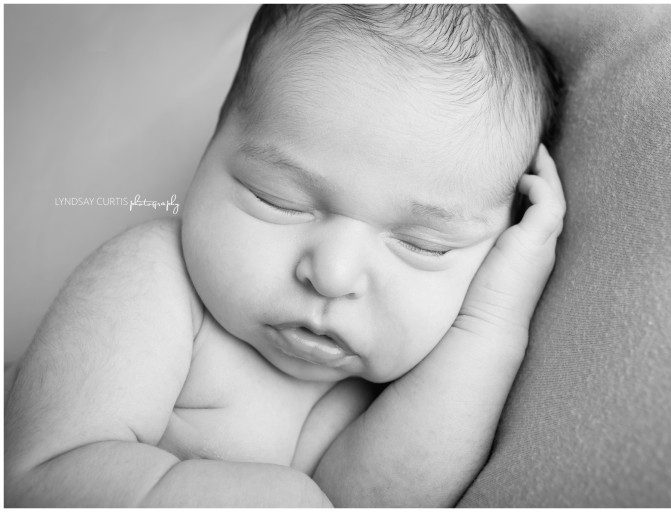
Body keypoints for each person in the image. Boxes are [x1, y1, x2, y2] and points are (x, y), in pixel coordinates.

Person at [5, 4, 565, 507]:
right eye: (280, 200)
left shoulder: (391, 377)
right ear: (210, 148)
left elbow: (378, 500)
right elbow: (38, 477)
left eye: (424, 245)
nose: (333, 274)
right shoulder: (154, 278)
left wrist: (493, 314)